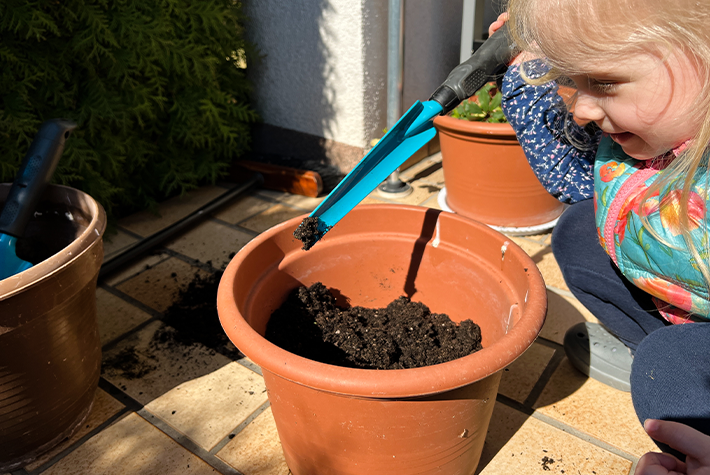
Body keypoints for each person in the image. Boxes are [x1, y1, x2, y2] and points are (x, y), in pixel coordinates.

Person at [487, 0, 710, 471]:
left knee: (669, 372)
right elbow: (572, 177)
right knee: (577, 232)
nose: (583, 108)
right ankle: (653, 344)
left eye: (603, 83)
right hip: (684, 299)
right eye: (573, 81)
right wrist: (525, 69)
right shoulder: (657, 130)